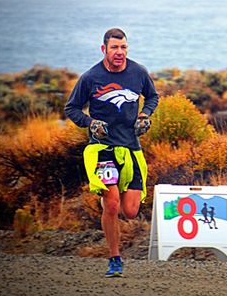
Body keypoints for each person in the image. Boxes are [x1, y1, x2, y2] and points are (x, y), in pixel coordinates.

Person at [65, 27, 159, 277]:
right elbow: (71, 108)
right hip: (102, 149)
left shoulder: (138, 72)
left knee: (130, 210)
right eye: (115, 47)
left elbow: (152, 97)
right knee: (112, 205)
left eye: (124, 47)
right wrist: (89, 123)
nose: (120, 52)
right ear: (104, 49)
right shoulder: (91, 77)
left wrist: (144, 115)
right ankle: (114, 258)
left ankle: (109, 197)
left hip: (130, 148)